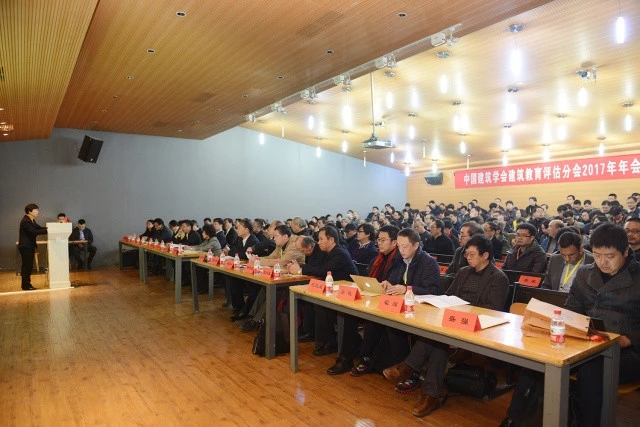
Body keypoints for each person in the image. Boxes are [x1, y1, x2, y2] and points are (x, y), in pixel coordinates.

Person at [503, 223, 640, 427]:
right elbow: (572, 310)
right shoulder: (584, 273)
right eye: (597, 255)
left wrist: (631, 338)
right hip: (586, 341)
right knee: (542, 357)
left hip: (627, 351)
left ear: (625, 252)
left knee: (591, 368)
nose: (603, 262)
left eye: (610, 256)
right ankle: (514, 418)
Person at [384, 235, 509, 418]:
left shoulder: (498, 278)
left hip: (479, 325)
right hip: (454, 320)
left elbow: (492, 309)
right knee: (438, 340)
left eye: (472, 254)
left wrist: (462, 309)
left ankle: (410, 367)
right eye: (466, 254)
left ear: (485, 255)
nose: (468, 258)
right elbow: (449, 295)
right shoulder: (464, 272)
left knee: (437, 340)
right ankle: (430, 395)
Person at [287, 226, 358, 356]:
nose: (318, 242)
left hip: (348, 292)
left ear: (331, 240)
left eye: (321, 239)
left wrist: (300, 270)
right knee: (315, 302)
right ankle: (321, 339)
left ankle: (329, 343)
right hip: (335, 289)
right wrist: (299, 267)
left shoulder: (339, 253)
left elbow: (322, 270)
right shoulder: (329, 252)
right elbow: (317, 267)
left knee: (321, 306)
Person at [18, 204, 48, 291]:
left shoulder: (31, 220)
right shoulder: (26, 221)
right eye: (36, 210)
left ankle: (26, 284)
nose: (38, 212)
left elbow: (39, 228)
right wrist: (48, 230)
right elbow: (34, 231)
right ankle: (26, 285)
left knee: (28, 266)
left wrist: (51, 227)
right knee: (27, 266)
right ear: (29, 211)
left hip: (29, 246)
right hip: (26, 246)